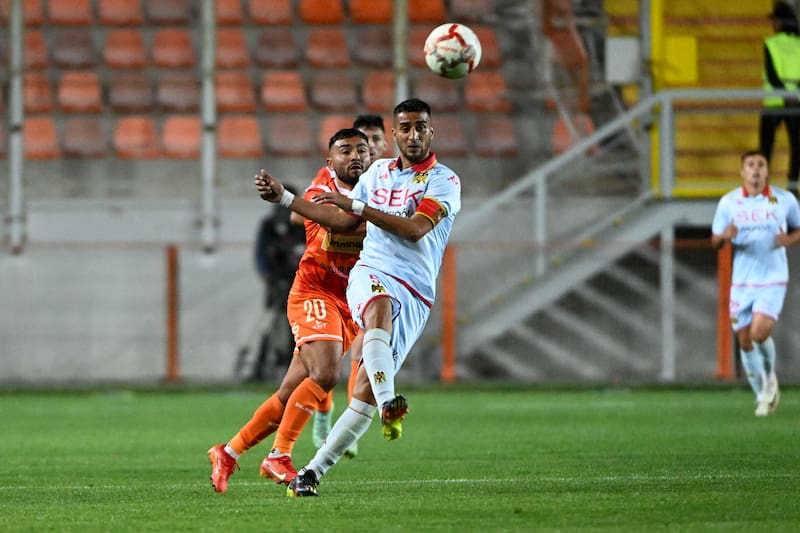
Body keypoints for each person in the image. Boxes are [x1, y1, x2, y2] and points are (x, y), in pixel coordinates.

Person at [255, 98, 462, 497]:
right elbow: (344, 219)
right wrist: (285, 199)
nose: (413, 135)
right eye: (406, 127)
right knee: (377, 308)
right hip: (371, 271)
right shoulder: (378, 173)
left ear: (431, 132)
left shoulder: (444, 181)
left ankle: (311, 473)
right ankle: (391, 402)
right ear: (394, 133)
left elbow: (415, 229)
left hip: (416, 288)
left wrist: (359, 205)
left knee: (362, 391)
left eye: (421, 127)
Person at [208, 128, 370, 492]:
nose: (355, 155)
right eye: (345, 150)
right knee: (326, 373)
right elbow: (342, 222)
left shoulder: (377, 194)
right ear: (331, 162)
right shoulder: (319, 195)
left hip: (348, 302)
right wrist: (286, 199)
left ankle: (229, 452)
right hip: (314, 292)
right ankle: (279, 455)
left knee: (288, 394)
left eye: (362, 149)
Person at [310, 114, 390, 455]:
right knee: (325, 362)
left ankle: (349, 424)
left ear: (382, 146)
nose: (365, 149)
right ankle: (323, 417)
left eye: (372, 142)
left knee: (362, 348)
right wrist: (345, 222)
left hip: (371, 275)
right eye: (359, 143)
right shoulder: (333, 176)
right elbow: (303, 212)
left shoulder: (389, 179)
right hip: (328, 279)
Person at [711, 150, 800, 416]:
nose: (756, 169)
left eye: (761, 164)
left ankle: (770, 379)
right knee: (744, 340)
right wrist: (725, 236)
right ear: (742, 172)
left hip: (773, 277)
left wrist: (790, 240)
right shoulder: (729, 203)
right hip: (742, 281)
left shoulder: (784, 200)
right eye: (750, 165)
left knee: (759, 333)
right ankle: (762, 395)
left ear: (767, 171)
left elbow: (798, 228)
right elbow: (715, 241)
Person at [234, 185, 305, 381]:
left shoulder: (303, 223)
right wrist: (267, 275)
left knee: (297, 326)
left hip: (299, 283)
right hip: (277, 282)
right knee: (270, 324)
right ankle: (262, 363)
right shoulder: (270, 224)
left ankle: (296, 365)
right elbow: (261, 253)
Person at [759, 1, 800, 197]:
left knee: (766, 148)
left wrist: (784, 95)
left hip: (774, 103)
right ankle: (792, 188)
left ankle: (762, 189)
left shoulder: (770, 43)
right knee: (796, 147)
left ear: (779, 23)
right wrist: (794, 95)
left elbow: (772, 75)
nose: (772, 24)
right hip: (796, 103)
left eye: (774, 21)